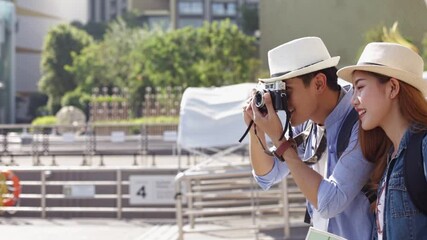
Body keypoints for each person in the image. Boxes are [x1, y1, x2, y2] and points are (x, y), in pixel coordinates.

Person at [243, 36, 375, 239]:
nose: (282, 102)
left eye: (286, 91)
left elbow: (331, 202)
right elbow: (267, 177)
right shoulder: (306, 122)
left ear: (319, 83)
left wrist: (281, 142)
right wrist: (255, 128)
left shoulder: (360, 121)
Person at [337, 42, 427, 240]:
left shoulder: (423, 148)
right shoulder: (389, 157)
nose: (353, 100)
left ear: (393, 88)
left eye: (360, 87)